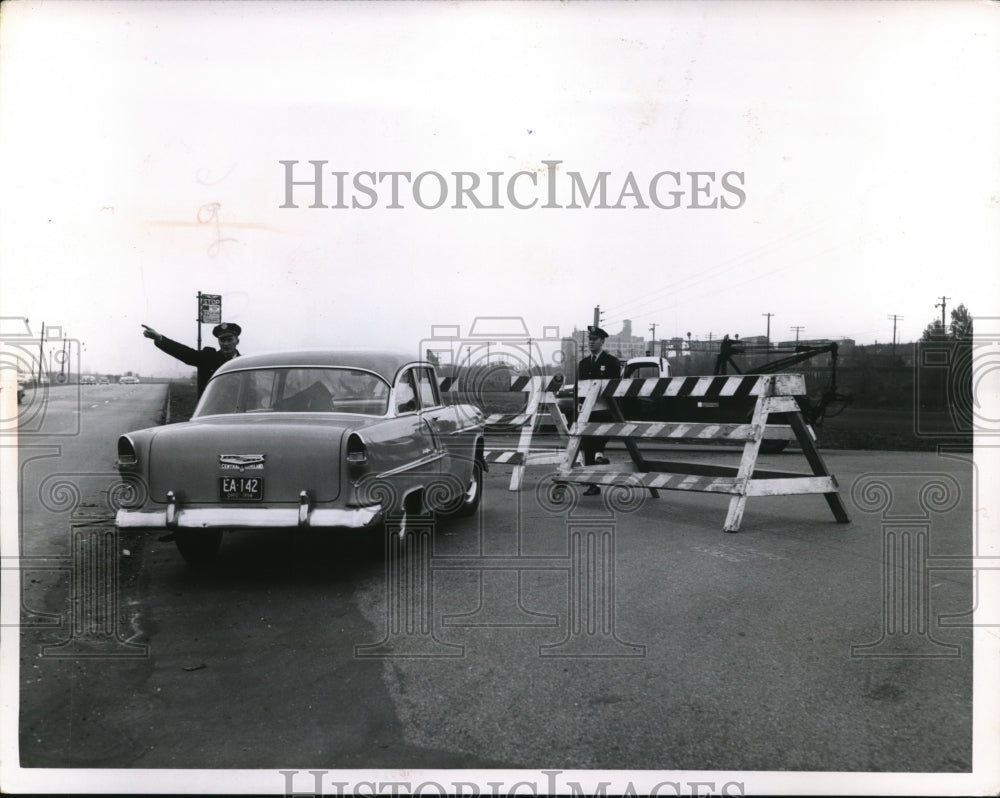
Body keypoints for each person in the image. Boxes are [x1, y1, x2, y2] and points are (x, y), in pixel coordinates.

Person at [142, 322, 242, 396]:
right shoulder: (208, 357)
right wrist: (159, 338)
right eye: (222, 340)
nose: (226, 344)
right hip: (210, 412)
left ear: (237, 341)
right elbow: (185, 353)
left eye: (230, 340)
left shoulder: (244, 363)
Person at [577, 325, 621, 495]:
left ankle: (599, 455)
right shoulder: (583, 364)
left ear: (602, 341)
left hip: (605, 409)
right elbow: (580, 388)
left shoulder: (612, 362)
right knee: (587, 444)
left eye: (594, 339)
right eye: (589, 339)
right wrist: (580, 407)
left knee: (599, 438)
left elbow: (615, 388)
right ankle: (592, 482)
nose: (590, 342)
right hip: (588, 410)